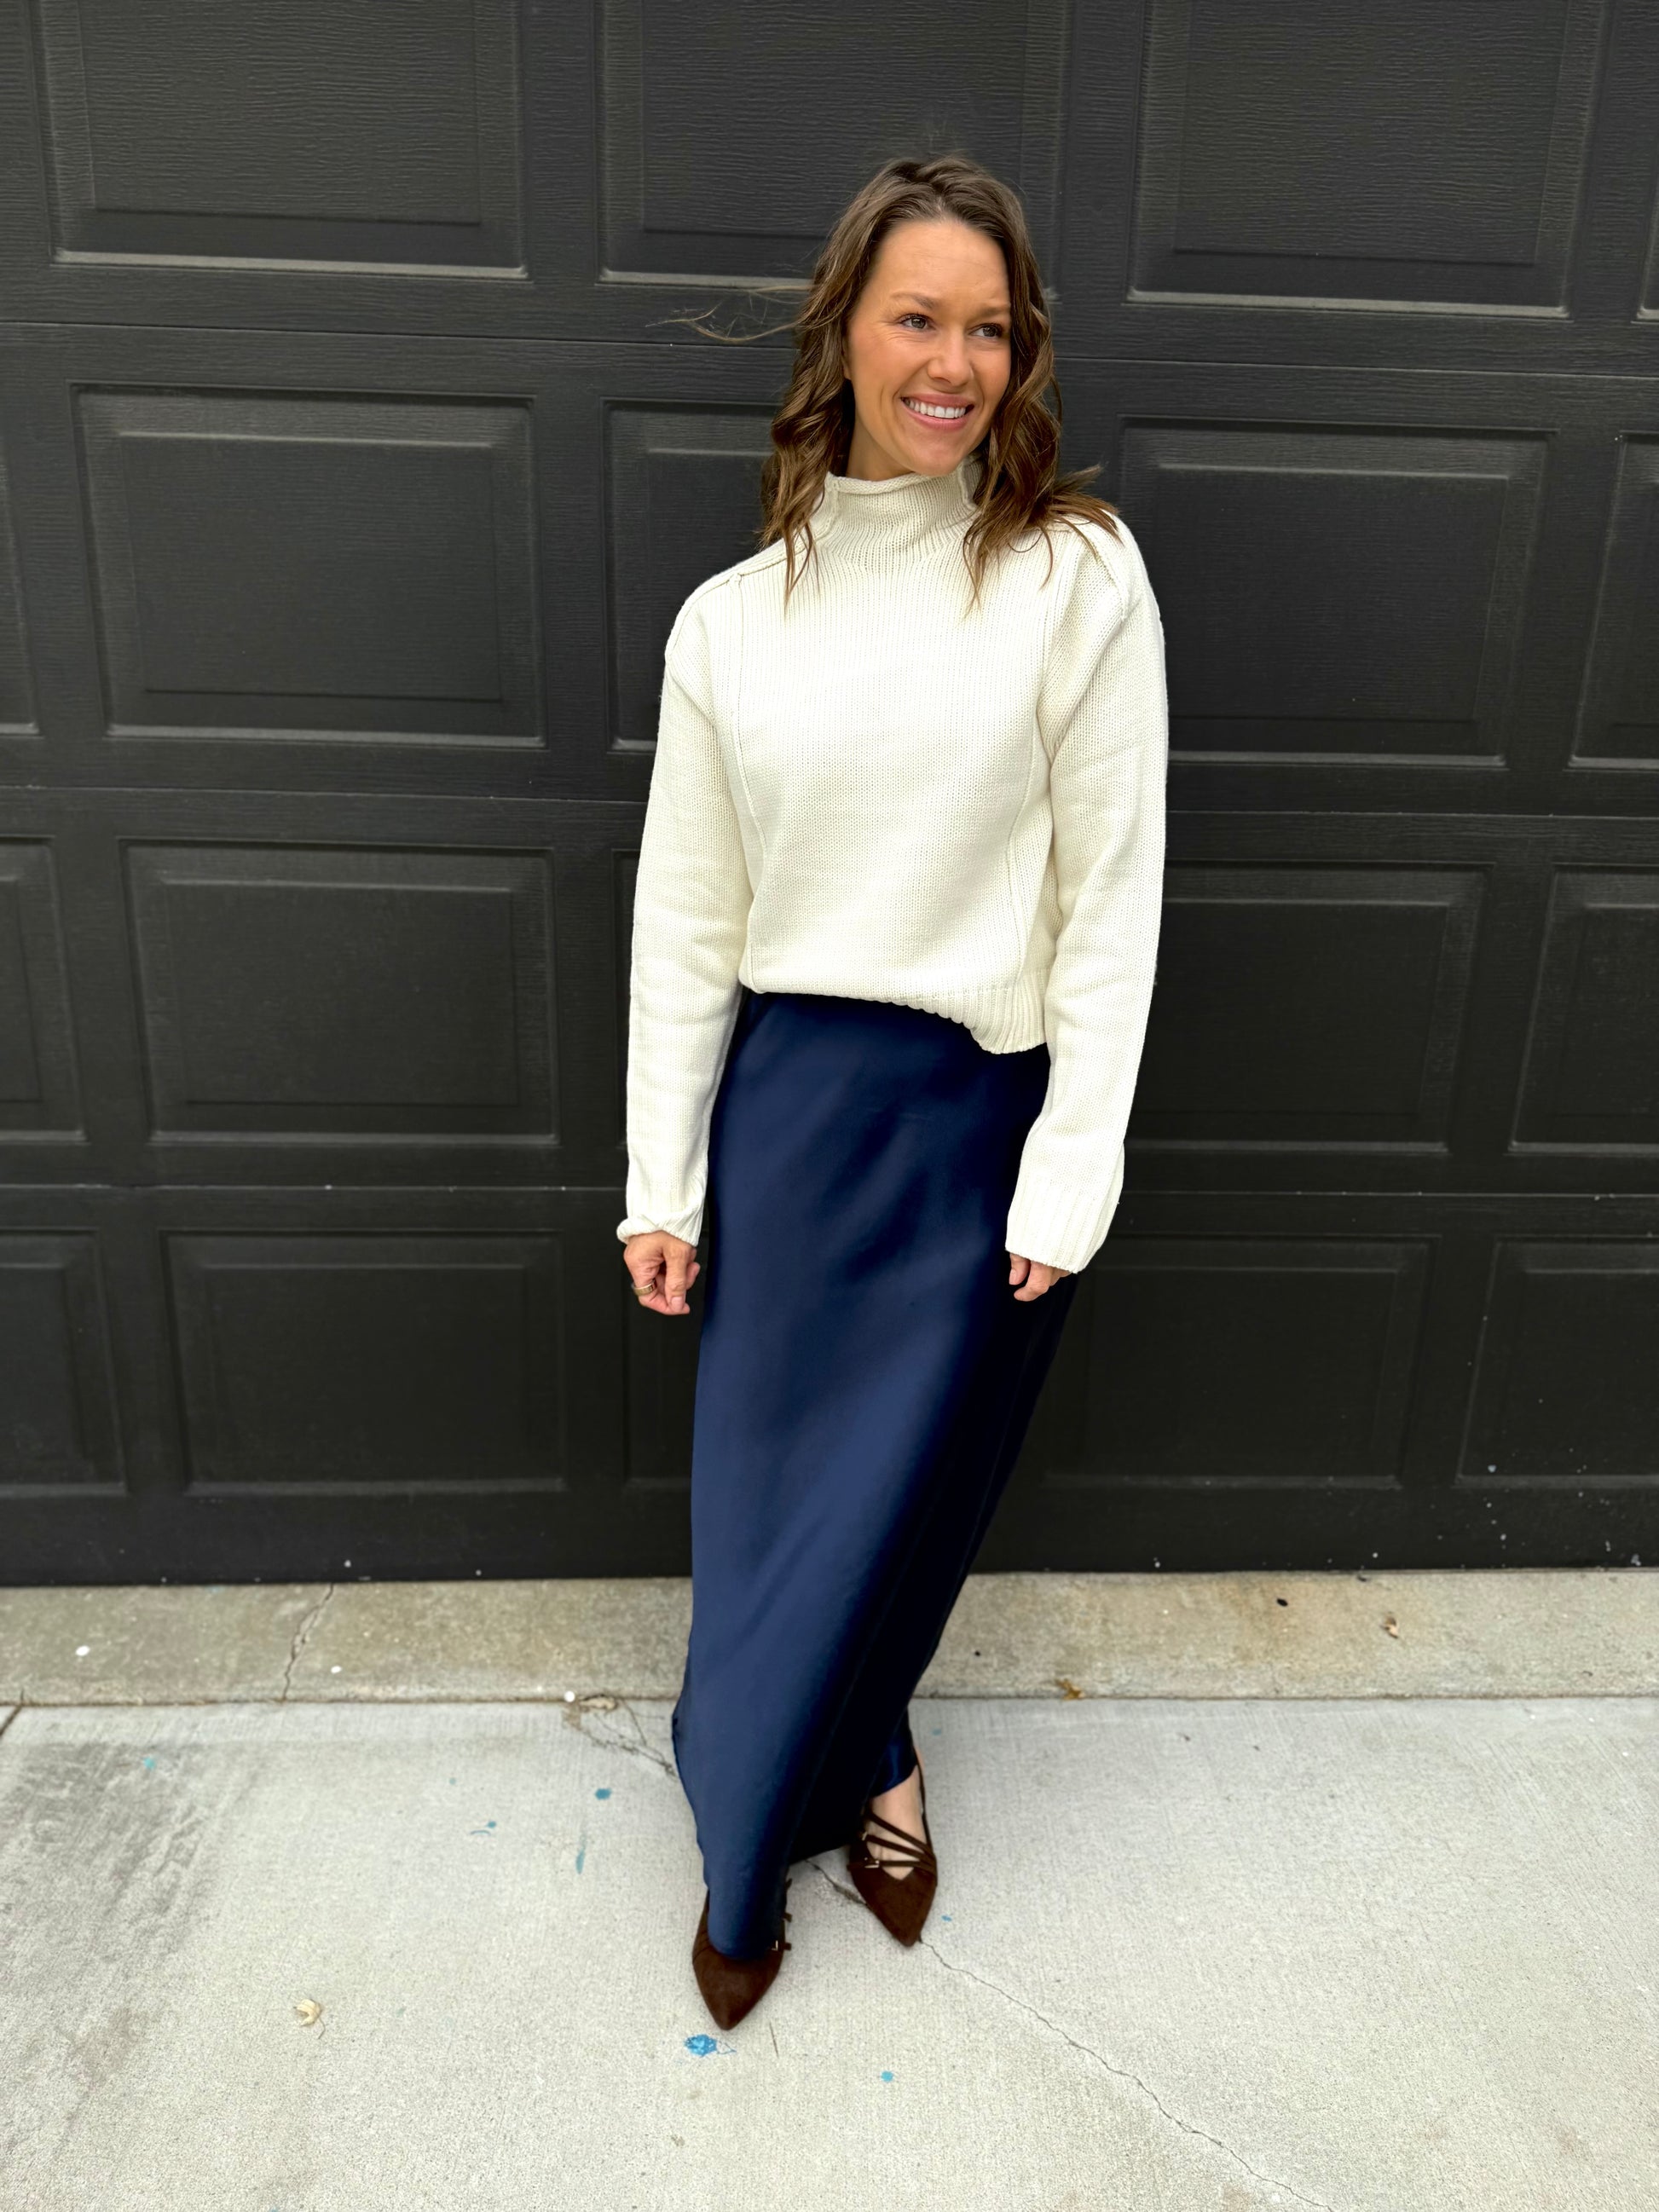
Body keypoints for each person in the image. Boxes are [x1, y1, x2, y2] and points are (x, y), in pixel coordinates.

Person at [618, 153, 1168, 2030]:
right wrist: (662, 1179)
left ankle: (875, 1754)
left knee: (907, 1505)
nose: (953, 363)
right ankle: (754, 1832)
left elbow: (1111, 895)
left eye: (989, 328)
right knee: (777, 1514)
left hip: (973, 1124)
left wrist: (1071, 1168)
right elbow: (687, 923)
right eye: (917, 317)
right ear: (843, 331)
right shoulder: (731, 622)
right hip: (791, 1122)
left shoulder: (1070, 575)